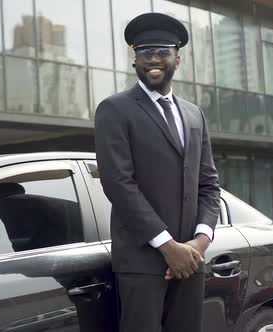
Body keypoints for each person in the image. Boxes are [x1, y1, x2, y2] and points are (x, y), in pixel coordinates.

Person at [94, 12, 221, 332]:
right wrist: (168, 247)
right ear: (134, 60)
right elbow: (119, 184)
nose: (154, 60)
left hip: (193, 260)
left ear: (177, 59)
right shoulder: (114, 110)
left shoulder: (195, 115)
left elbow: (209, 184)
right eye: (145, 53)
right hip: (142, 262)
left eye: (162, 52)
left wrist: (199, 243)